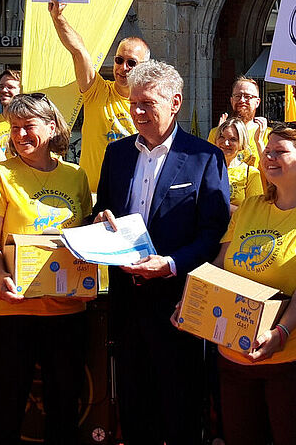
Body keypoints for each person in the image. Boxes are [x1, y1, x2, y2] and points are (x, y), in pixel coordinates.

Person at [92, 61, 231, 445]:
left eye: (147, 104)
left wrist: (171, 264)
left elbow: (213, 232)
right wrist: (100, 218)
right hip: (126, 302)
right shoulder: (117, 153)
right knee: (135, 412)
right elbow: (103, 209)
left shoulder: (205, 158)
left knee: (182, 411)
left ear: (176, 102)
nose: (137, 112)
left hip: (179, 304)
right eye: (133, 103)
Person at [210, 121, 296, 445]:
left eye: (280, 151)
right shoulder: (251, 207)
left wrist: (280, 332)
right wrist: (193, 302)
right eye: (267, 150)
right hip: (236, 357)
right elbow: (220, 266)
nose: (268, 156)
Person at [0, 93, 94, 444]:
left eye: (29, 126)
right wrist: (1, 277)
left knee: (64, 410)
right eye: (14, 128)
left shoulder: (75, 176)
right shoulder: (0, 175)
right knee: (7, 410)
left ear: (52, 126)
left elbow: (83, 242)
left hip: (67, 312)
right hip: (11, 310)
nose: (20, 135)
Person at [48, 0, 146, 193]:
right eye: (119, 60)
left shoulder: (150, 105)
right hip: (91, 196)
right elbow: (79, 51)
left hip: (131, 195)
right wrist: (58, 18)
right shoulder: (97, 91)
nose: (123, 67)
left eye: (131, 63)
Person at [211, 77, 269, 167]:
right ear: (231, 100)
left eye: (247, 97)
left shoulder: (268, 134)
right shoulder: (215, 132)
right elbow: (210, 166)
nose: (242, 100)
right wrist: (219, 138)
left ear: (257, 102)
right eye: (237, 96)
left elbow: (271, 168)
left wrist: (259, 142)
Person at [215, 116, 264, 213]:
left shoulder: (250, 174)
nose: (226, 143)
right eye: (222, 137)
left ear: (241, 144)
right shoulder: (205, 169)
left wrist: (222, 206)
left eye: (233, 139)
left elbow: (255, 212)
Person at [0, 67, 21, 147]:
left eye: (10, 87)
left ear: (21, 90)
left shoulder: (27, 124)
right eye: (1, 87)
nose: (4, 90)